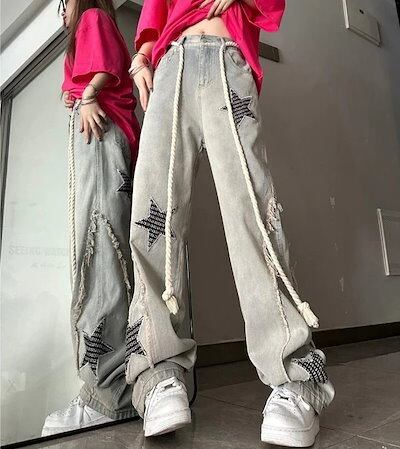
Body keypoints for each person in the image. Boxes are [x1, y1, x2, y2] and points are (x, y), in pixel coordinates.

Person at [127, 0, 335, 446]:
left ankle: (296, 378)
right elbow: (156, 11)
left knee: (252, 214)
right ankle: (159, 373)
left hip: (227, 57)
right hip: (170, 66)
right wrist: (141, 57)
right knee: (152, 216)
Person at [42, 0, 140, 435]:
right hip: (100, 140)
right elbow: (99, 72)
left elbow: (106, 70)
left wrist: (87, 95)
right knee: (98, 256)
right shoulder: (93, 24)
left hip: (100, 139)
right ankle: (109, 387)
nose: (62, 14)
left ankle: (109, 393)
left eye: (63, 4)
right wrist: (78, 94)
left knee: (99, 257)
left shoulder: (92, 18)